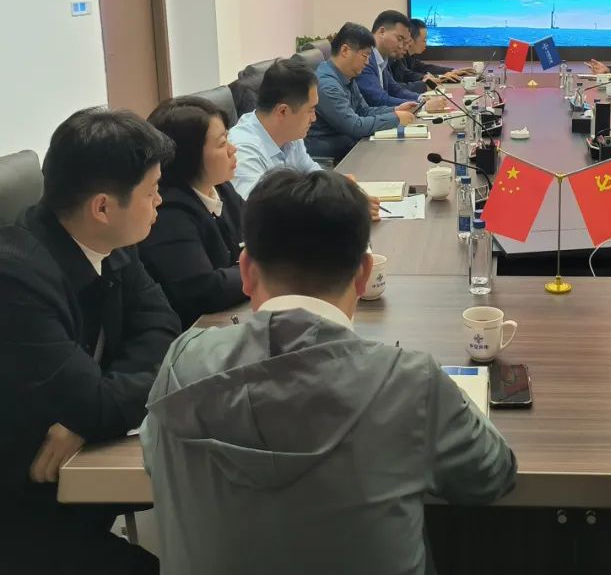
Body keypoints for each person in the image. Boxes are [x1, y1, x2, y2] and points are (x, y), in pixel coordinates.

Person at [141, 169, 518, 574]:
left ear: (247, 271)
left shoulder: (182, 365)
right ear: (364, 273)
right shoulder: (410, 382)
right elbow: (491, 474)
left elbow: (154, 456)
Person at [0, 108, 180, 574]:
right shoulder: (15, 279)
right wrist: (94, 412)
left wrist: (88, 417)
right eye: (151, 191)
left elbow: (163, 325)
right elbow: (96, 404)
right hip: (24, 509)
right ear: (102, 207)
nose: (160, 201)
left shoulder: (113, 240)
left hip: (79, 479)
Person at [142, 96, 246, 329]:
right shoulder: (166, 211)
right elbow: (205, 290)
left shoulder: (221, 188)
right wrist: (261, 268)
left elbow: (262, 235)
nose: (232, 149)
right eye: (222, 144)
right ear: (189, 154)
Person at [306, 22, 415, 162]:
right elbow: (354, 126)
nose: (368, 62)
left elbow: (364, 111)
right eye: (365, 56)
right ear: (345, 50)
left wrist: (396, 110)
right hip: (333, 159)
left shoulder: (347, 76)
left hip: (350, 149)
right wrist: (396, 118)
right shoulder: (327, 85)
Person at [229, 56, 324, 198]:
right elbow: (256, 208)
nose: (314, 118)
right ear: (283, 111)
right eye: (310, 110)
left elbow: (312, 173)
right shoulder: (243, 151)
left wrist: (338, 187)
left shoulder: (290, 134)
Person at [357, 9, 423, 108]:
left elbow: (396, 90)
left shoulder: (381, 59)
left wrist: (421, 98)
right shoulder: (365, 59)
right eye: (399, 39)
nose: (401, 46)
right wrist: (421, 105)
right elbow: (379, 100)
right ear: (382, 32)